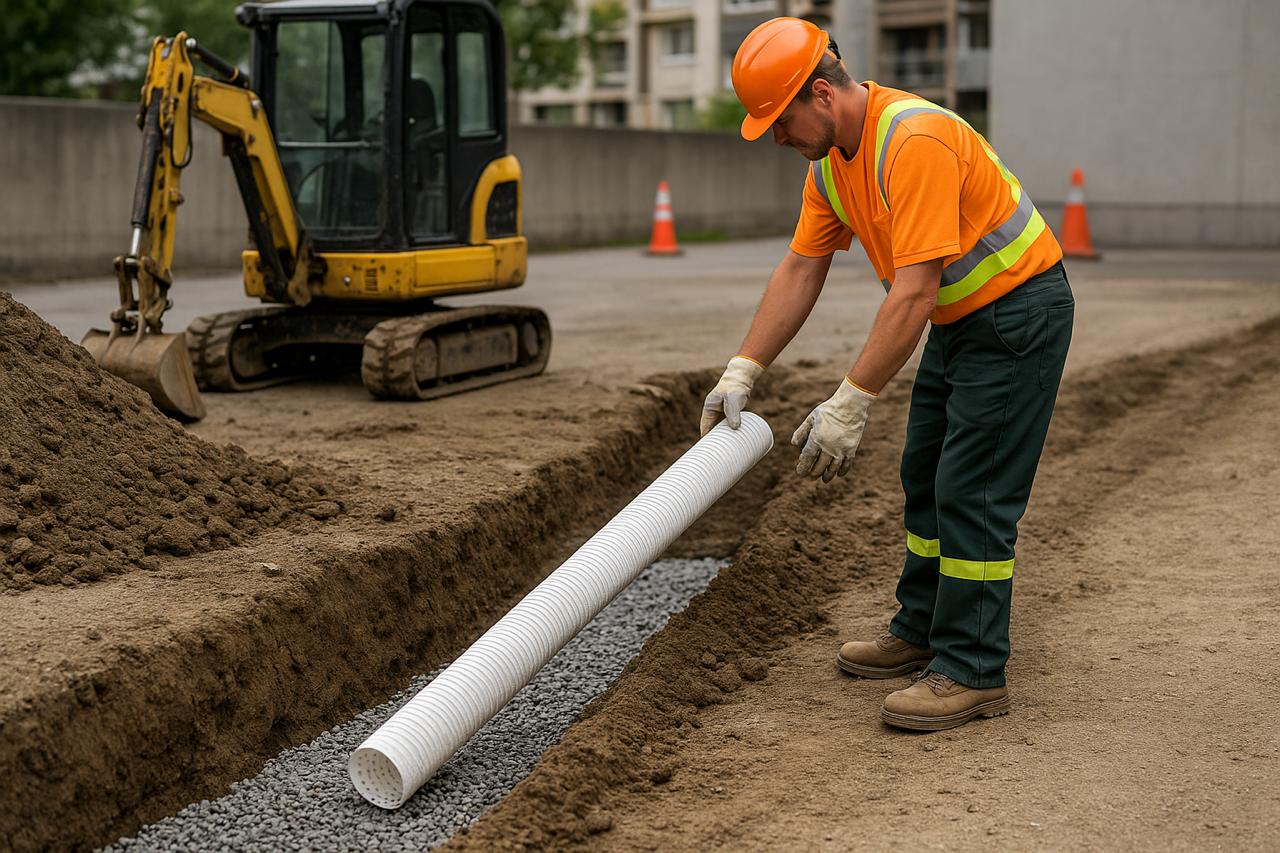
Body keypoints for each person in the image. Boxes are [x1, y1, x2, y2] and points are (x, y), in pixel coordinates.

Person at [701, 17, 1074, 731]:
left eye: (779, 121)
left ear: (820, 93)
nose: (776, 138)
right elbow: (801, 266)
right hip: (962, 319)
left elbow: (914, 291)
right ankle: (924, 625)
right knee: (924, 473)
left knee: (975, 488)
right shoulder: (831, 164)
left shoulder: (914, 138)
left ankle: (971, 667)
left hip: (1017, 315)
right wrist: (743, 367)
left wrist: (850, 400)